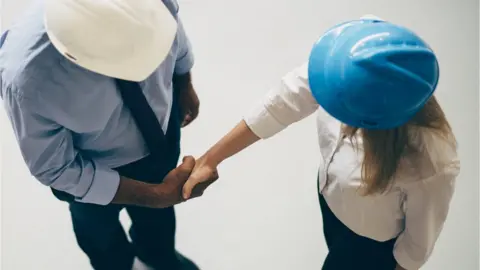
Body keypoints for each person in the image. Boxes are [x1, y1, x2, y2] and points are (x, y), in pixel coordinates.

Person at [182, 16, 461, 270]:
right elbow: (283, 101)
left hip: (369, 248)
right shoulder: (348, 62)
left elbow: (416, 246)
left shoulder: (431, 163)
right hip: (334, 203)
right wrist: (210, 160)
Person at [0, 0, 216, 269]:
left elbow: (174, 28)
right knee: (101, 241)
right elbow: (55, 168)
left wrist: (184, 82)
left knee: (158, 228)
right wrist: (155, 195)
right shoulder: (28, 78)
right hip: (92, 173)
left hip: (160, 140)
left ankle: (158, 257)